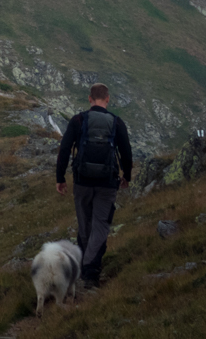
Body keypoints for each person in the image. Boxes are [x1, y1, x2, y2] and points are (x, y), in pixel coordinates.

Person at [55, 83, 133, 287]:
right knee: (101, 224)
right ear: (107, 99)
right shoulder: (116, 122)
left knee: (84, 224)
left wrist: (60, 178)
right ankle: (90, 272)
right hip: (107, 183)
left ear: (90, 99)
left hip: (82, 181)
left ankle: (83, 267)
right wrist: (127, 176)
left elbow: (64, 149)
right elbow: (126, 152)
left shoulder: (78, 120)